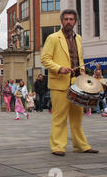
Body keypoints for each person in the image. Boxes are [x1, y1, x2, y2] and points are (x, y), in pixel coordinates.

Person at [41, 9, 98, 156]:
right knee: (59, 116)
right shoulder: (53, 38)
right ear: (61, 21)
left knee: (77, 116)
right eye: (66, 19)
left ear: (75, 22)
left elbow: (80, 58)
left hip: (76, 82)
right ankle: (58, 146)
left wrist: (83, 71)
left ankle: (81, 145)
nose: (68, 21)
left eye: (71, 19)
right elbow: (45, 59)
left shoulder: (78, 38)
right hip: (59, 83)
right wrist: (59, 69)